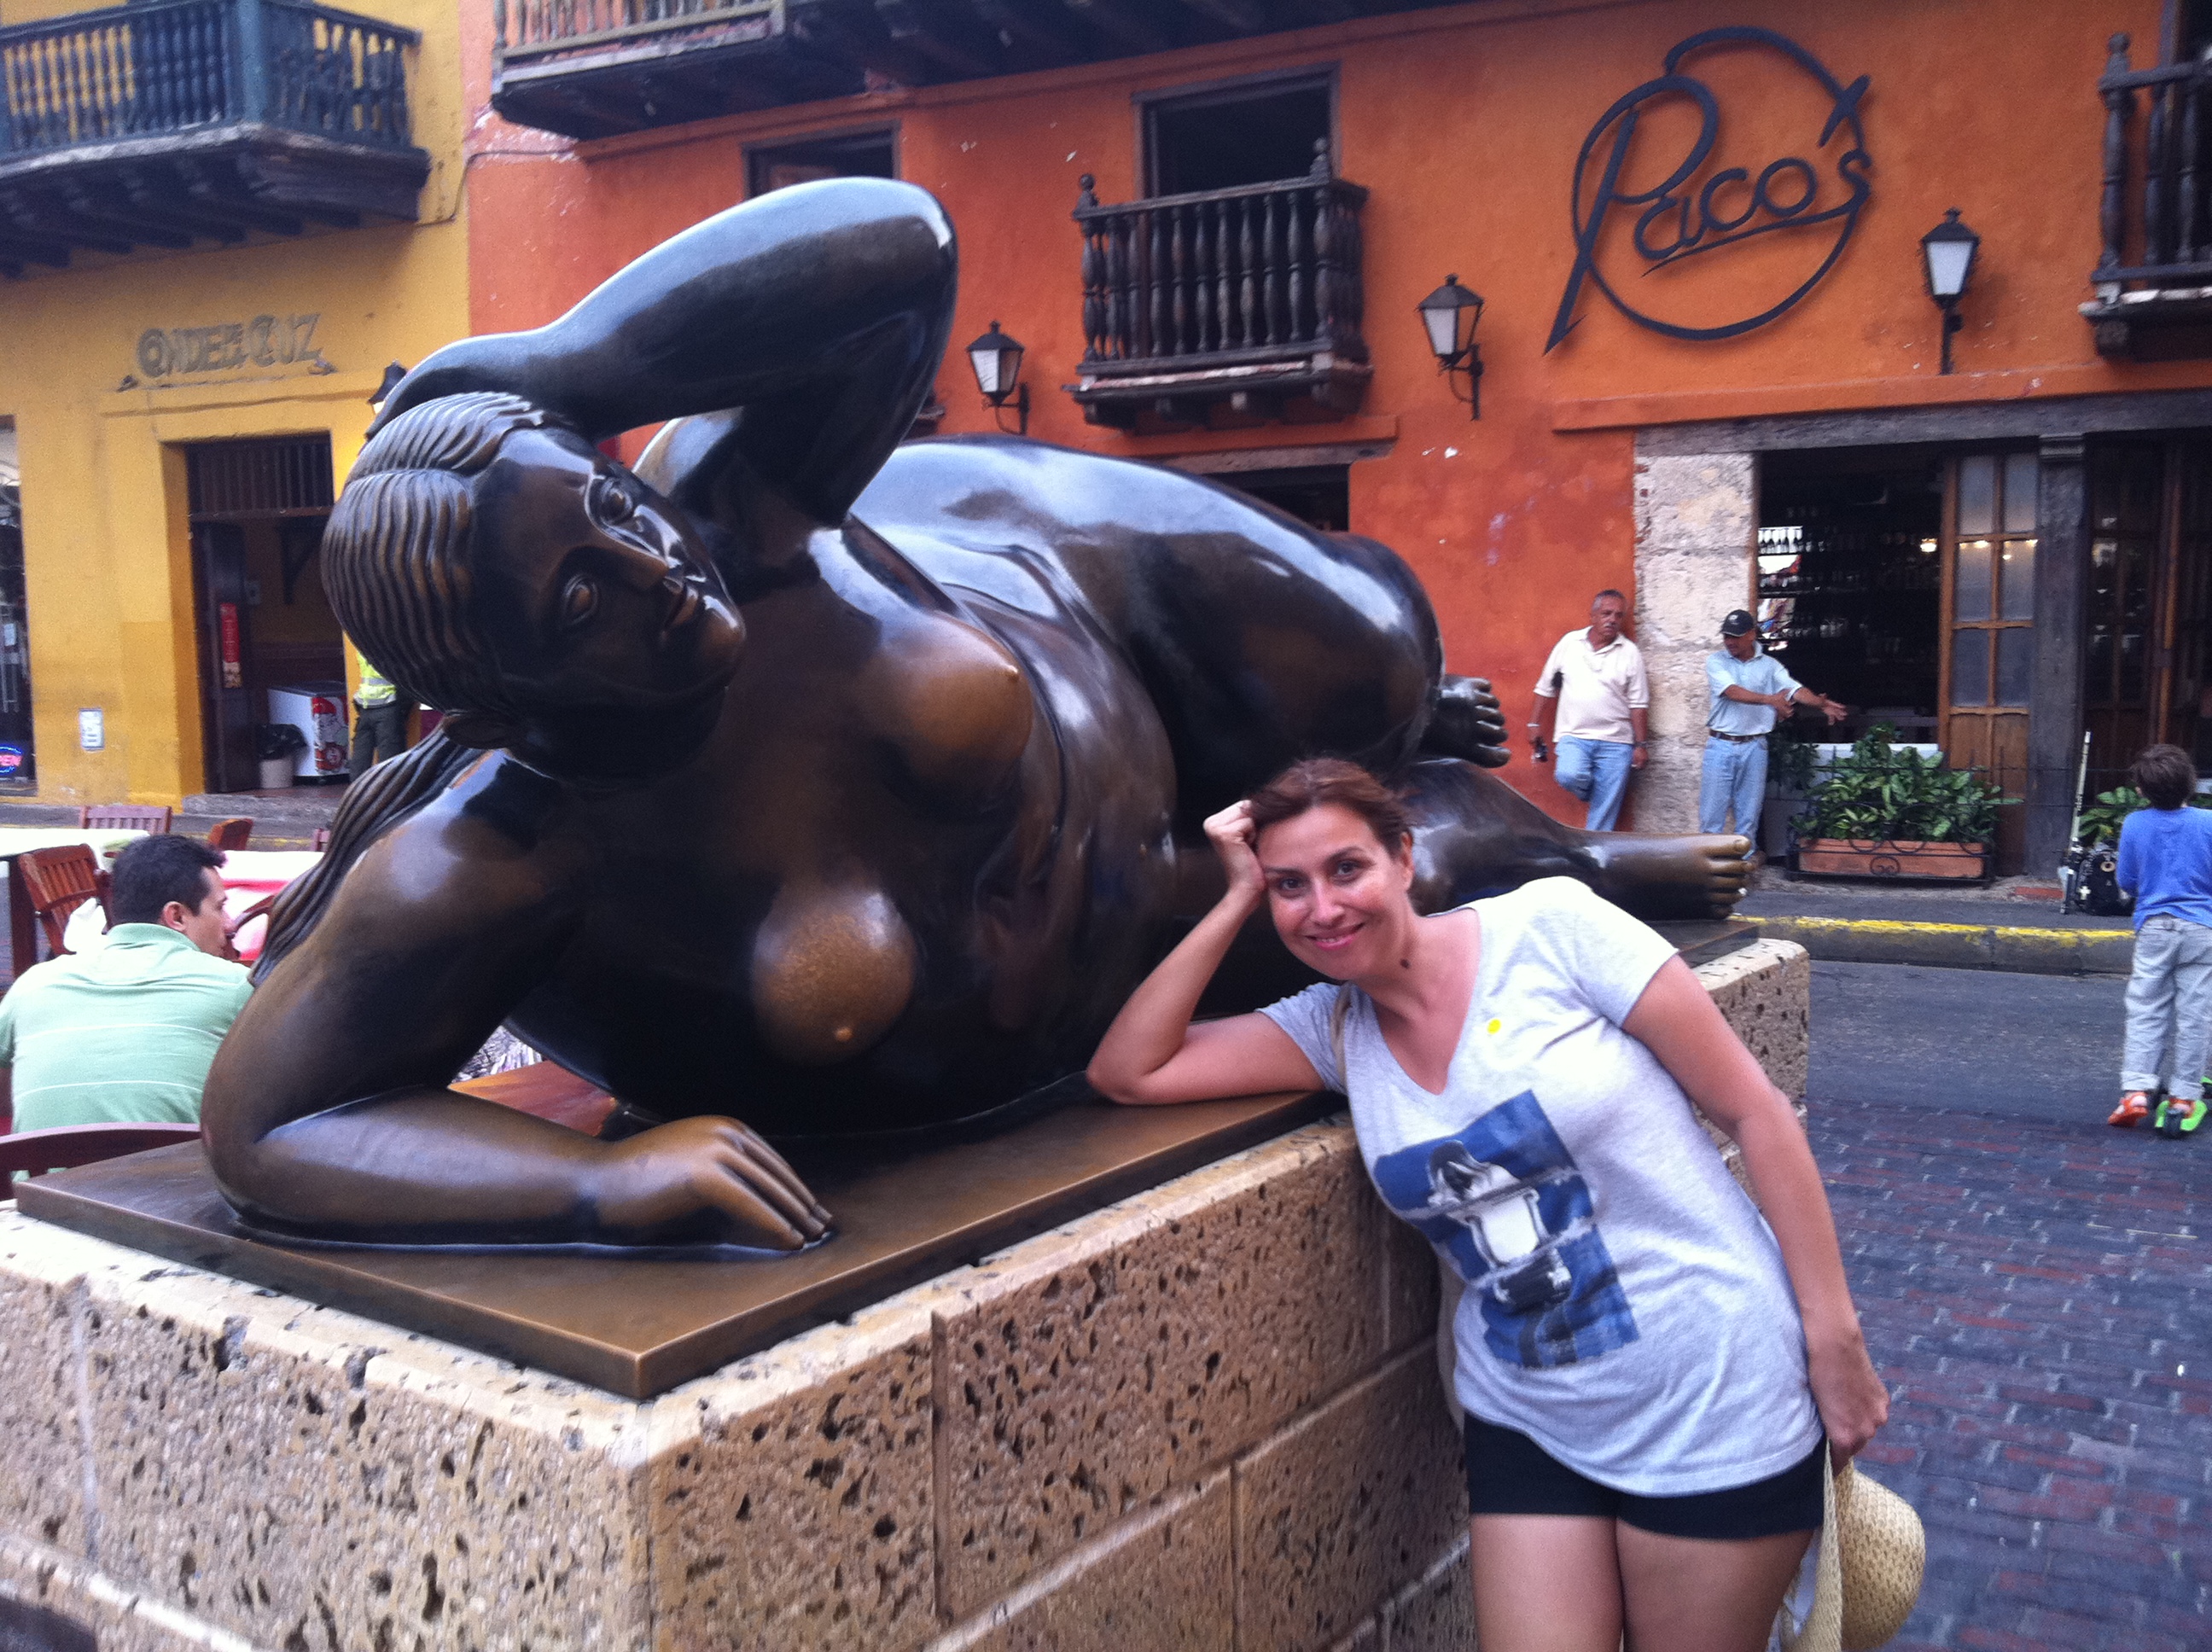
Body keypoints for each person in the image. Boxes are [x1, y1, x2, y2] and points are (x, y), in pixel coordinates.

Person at [201, 178, 1752, 1251]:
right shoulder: (507, 848)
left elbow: (900, 242)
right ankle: (1575, 860)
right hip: (1138, 953)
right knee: (1432, 868)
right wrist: (595, 1188)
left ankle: (1438, 756)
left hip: (1063, 585)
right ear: (506, 697)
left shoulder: (739, 510)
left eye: (610, 505)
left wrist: (564, 366)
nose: (654, 570)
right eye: (580, 603)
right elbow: (268, 1124)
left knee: (1378, 655)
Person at [1086, 757, 1887, 1652]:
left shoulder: (1551, 929)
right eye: (1289, 886)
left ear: (1403, 858)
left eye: (1347, 868)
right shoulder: (1334, 1029)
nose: (1324, 907)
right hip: (1527, 1416)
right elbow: (1130, 1069)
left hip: (1711, 1389)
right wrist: (1234, 897)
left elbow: (1755, 1112)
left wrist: (1835, 1340)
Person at [0, 834, 250, 1132]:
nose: (230, 924)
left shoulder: (33, 985)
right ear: (177, 916)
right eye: (220, 908)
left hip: (39, 1163)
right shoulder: (237, 986)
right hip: (176, 1163)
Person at [2112, 743, 2212, 1137]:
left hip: (2154, 927)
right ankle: (2184, 1096)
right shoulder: (2208, 822)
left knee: (2146, 1008)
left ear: (2140, 789)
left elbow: (2126, 880)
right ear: (2191, 783)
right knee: (2196, 1014)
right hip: (2202, 929)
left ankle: (2136, 1090)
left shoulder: (2134, 824)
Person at [1702, 608, 1845, 838]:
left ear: (1751, 634)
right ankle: (1710, 861)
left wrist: (1820, 703)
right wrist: (1771, 700)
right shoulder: (1717, 661)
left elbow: (1794, 689)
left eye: (1735, 636)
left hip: (1755, 746)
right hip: (1721, 745)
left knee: (1749, 816)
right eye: (1726, 636)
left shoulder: (1770, 665)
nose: (1729, 641)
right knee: (1711, 817)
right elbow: (1732, 692)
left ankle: (1745, 860)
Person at [1528, 590, 1647, 831]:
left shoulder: (1630, 653)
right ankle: (1597, 792)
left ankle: (1594, 853)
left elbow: (1638, 703)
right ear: (1592, 615)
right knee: (1568, 775)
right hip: (1574, 736)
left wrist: (1641, 745)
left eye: (1618, 615)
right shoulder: (1569, 643)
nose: (1612, 620)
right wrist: (1533, 724)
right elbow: (1545, 686)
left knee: (1604, 816)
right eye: (1606, 613)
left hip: (1617, 742)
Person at [348, 660, 411, 775]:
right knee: (390, 762)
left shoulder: (362, 651)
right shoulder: (387, 651)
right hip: (387, 707)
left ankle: (358, 785)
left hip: (366, 707)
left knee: (360, 759)